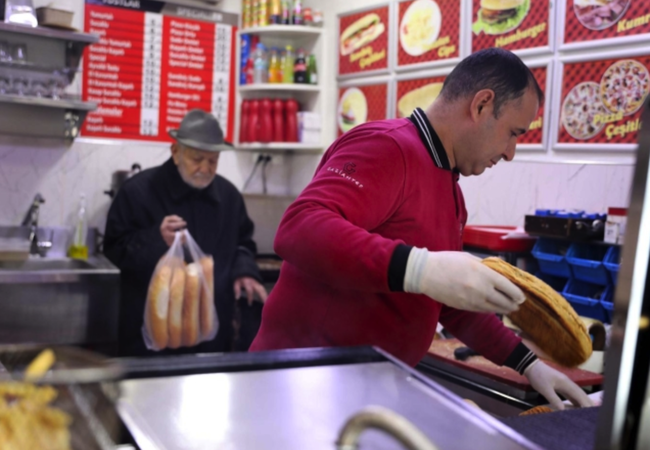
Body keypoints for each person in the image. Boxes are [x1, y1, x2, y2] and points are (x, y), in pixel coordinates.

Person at [250, 49, 593, 410]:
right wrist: (420, 268)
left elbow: (446, 299)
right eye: (512, 133)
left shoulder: (451, 191)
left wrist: (527, 363)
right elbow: (300, 227)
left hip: (363, 392)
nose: (510, 152)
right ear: (481, 106)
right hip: (301, 385)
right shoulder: (388, 147)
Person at [104, 109, 267, 356]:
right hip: (151, 338)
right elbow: (114, 249)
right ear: (175, 152)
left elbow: (243, 244)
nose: (205, 168)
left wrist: (245, 272)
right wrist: (156, 239)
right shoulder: (138, 192)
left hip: (210, 335)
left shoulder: (229, 197)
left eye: (213, 161)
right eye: (197, 159)